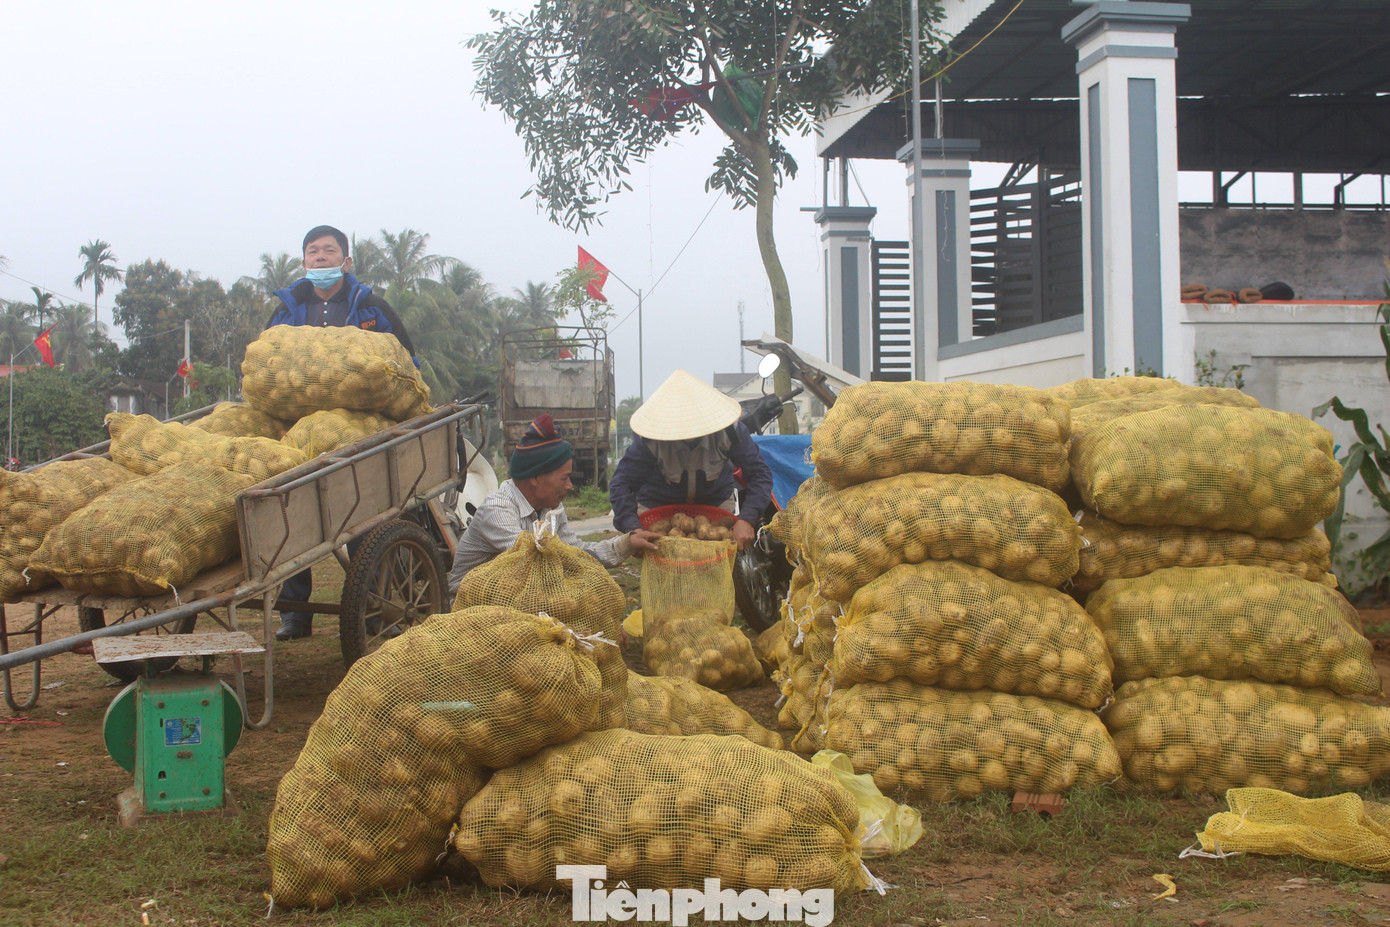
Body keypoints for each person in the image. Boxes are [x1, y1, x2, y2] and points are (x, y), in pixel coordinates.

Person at [270, 224, 418, 641]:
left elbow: (407, 359)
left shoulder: (370, 306)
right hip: (298, 431)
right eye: (312, 251)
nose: (320, 257)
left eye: (329, 251)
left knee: (363, 513)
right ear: (303, 262)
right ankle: (294, 613)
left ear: (346, 261)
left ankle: (375, 607)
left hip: (360, 430)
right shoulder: (286, 309)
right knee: (290, 515)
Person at [447, 414, 661, 593]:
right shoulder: (499, 510)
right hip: (472, 605)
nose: (569, 486)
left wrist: (627, 543)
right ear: (536, 477)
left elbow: (576, 553)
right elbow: (536, 566)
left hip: (518, 597)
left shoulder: (552, 508)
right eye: (564, 478)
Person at [608, 369, 773, 551]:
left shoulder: (730, 431)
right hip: (659, 503)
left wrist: (747, 519)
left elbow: (760, 474)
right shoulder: (649, 439)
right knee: (662, 559)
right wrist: (633, 529)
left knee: (717, 560)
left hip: (715, 501)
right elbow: (622, 484)